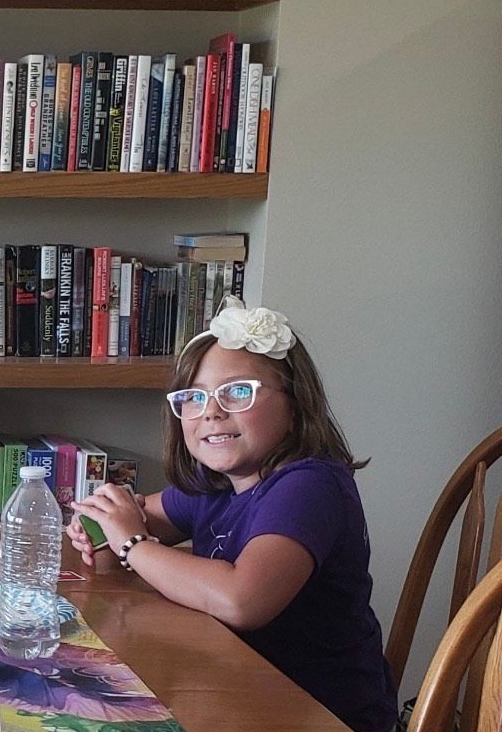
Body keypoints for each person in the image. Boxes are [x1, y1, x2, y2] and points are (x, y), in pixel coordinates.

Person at [67, 297, 396, 732]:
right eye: (194, 397)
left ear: (295, 405)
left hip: (318, 714)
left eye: (238, 391)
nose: (212, 410)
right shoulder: (217, 485)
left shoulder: (310, 485)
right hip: (238, 691)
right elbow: (125, 525)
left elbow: (242, 601)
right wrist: (99, 524)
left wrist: (132, 542)